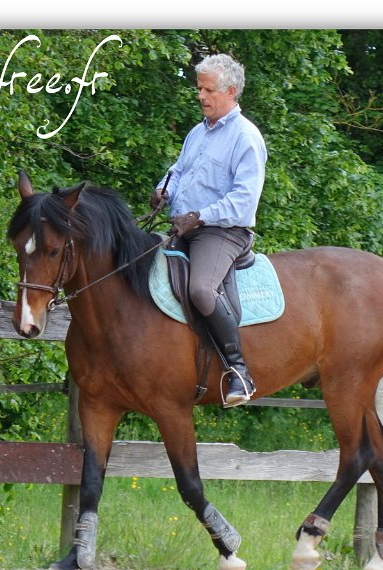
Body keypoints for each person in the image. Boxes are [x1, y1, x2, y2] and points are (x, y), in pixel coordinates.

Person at [152, 53, 268, 408]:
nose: (201, 96)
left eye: (208, 90)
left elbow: (244, 201)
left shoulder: (246, 138)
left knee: (201, 289)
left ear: (231, 91)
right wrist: (164, 190)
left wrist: (199, 217)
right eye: (199, 89)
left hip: (222, 232)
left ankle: (239, 372)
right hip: (185, 226)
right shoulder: (198, 132)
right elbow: (179, 170)